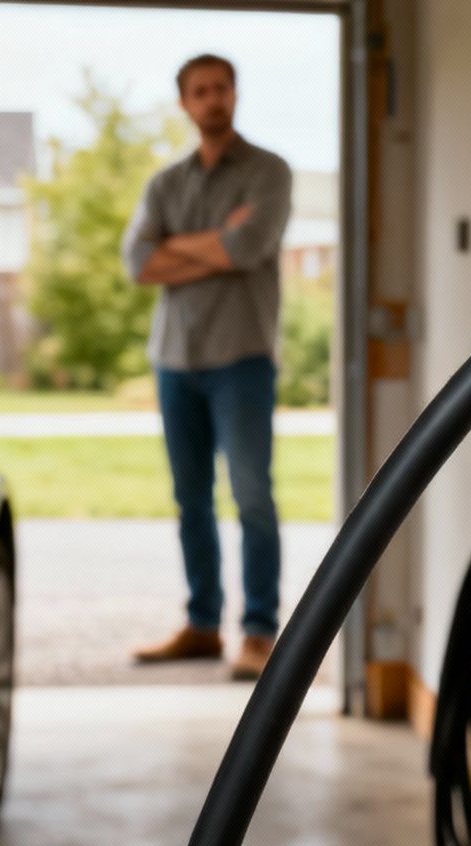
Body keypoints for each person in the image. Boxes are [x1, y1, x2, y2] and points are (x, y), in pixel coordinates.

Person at [122, 53, 293, 681]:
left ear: (235, 94)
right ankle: (200, 624)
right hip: (175, 361)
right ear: (185, 104)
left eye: (221, 88)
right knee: (189, 498)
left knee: (251, 497)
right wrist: (216, 246)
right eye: (200, 91)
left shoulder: (269, 172)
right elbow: (137, 262)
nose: (212, 99)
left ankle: (258, 631)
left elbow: (250, 245)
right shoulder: (167, 183)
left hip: (242, 358)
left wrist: (183, 249)